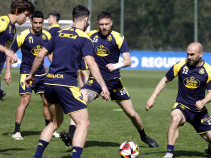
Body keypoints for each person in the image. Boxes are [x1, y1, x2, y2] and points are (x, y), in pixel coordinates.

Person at [59, 11, 158, 148]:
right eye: (101, 24)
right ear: (97, 24)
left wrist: (116, 65)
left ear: (111, 23)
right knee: (79, 102)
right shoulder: (90, 36)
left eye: (106, 24)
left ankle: (144, 136)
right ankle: (71, 136)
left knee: (131, 113)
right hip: (96, 82)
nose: (104, 27)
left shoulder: (118, 38)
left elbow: (128, 61)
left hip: (114, 83)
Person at [25, 5, 110, 158]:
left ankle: (37, 156)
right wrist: (103, 86)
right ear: (86, 20)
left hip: (49, 82)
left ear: (72, 19)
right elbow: (91, 63)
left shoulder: (58, 33)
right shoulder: (85, 38)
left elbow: (40, 56)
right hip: (66, 85)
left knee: (54, 123)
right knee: (83, 123)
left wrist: (31, 75)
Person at [146, 42, 211, 158]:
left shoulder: (208, 70)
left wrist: (203, 101)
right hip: (182, 106)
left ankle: (210, 151)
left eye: (192, 54)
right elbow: (164, 80)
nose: (189, 57)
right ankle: (169, 153)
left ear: (201, 53)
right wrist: (152, 97)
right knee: (175, 117)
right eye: (187, 54)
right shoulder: (180, 65)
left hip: (199, 111)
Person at [5, 11, 60, 140]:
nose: (38, 25)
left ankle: (50, 129)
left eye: (40, 23)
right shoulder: (22, 35)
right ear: (31, 22)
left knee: (47, 102)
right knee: (25, 100)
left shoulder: (47, 35)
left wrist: (57, 67)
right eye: (35, 22)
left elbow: (50, 54)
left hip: (42, 73)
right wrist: (8, 71)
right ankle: (17, 131)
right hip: (26, 72)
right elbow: (10, 53)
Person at [0, 0, 33, 100]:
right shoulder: (3, 21)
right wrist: (7, 51)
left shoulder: (12, 28)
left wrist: (7, 71)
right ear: (18, 11)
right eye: (26, 15)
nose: (27, 19)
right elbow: (6, 50)